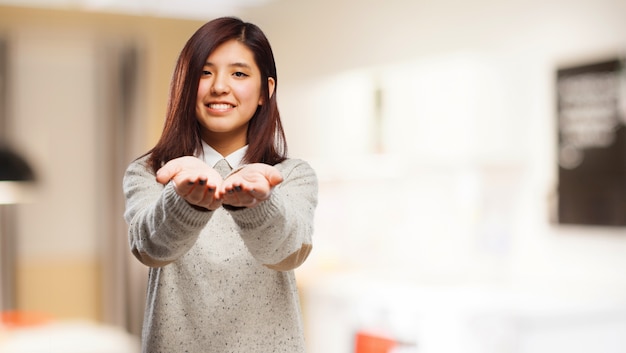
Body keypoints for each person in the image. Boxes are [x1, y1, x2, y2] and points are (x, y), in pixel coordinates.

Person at [122, 17, 318, 353]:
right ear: (186, 84)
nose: (219, 87)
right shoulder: (151, 171)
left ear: (265, 91)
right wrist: (185, 202)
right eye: (205, 72)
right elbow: (149, 249)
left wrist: (258, 205)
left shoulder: (292, 175)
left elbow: (287, 253)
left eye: (239, 74)